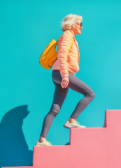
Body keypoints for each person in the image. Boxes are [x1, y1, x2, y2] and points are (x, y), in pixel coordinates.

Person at [36, 14, 95, 146]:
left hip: (58, 74)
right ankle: (72, 120)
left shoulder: (71, 38)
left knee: (54, 110)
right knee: (90, 93)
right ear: (73, 24)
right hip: (61, 73)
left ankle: (42, 140)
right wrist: (66, 75)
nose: (82, 27)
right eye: (80, 24)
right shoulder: (68, 35)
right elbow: (62, 55)